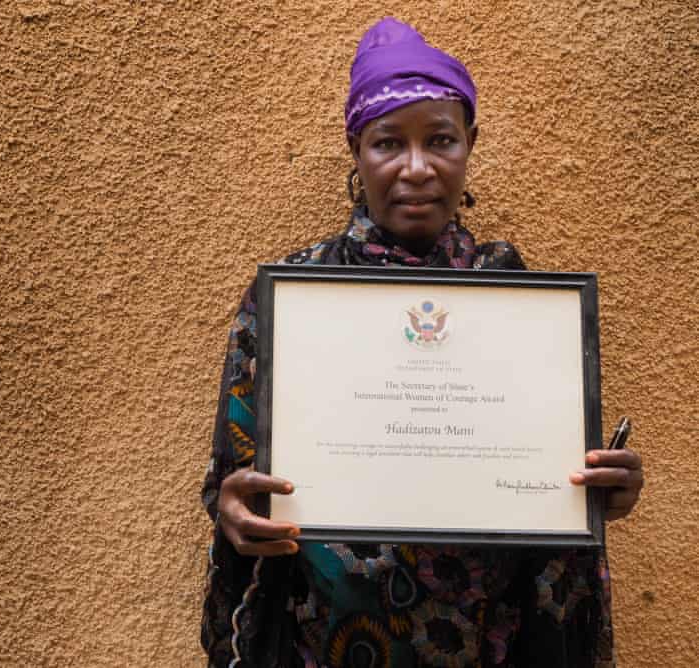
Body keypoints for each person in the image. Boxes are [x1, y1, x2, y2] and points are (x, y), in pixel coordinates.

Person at [201, 18, 644, 668]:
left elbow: (549, 468)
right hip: (326, 638)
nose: (416, 168)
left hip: (490, 640)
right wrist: (233, 508)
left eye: (440, 139)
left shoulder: (518, 298)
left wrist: (597, 492)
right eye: (388, 144)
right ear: (356, 149)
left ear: (470, 143)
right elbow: (229, 480)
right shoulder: (292, 300)